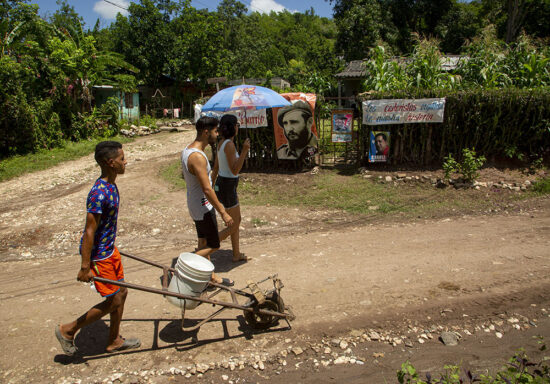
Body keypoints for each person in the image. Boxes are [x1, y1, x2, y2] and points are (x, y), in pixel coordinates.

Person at [56, 141, 140, 356]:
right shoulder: (99, 193)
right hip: (100, 256)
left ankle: (114, 340)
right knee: (115, 299)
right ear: (110, 162)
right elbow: (89, 231)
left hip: (109, 250)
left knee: (122, 292)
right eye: (122, 159)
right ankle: (68, 330)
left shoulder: (111, 185)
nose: (126, 162)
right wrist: (85, 266)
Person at [181, 116, 235, 286]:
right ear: (206, 132)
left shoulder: (188, 150)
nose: (217, 134)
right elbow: (206, 188)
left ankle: (210, 276)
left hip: (195, 203)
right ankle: (185, 266)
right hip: (203, 205)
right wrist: (223, 212)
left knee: (203, 241)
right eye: (215, 131)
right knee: (214, 244)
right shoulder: (197, 157)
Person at [211, 114, 250, 262]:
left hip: (223, 185)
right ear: (233, 127)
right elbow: (235, 170)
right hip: (228, 186)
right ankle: (209, 244)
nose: (238, 127)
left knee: (235, 220)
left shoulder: (222, 143)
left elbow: (216, 166)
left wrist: (212, 185)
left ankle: (236, 254)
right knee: (234, 223)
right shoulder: (229, 145)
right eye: (237, 125)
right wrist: (245, 150)